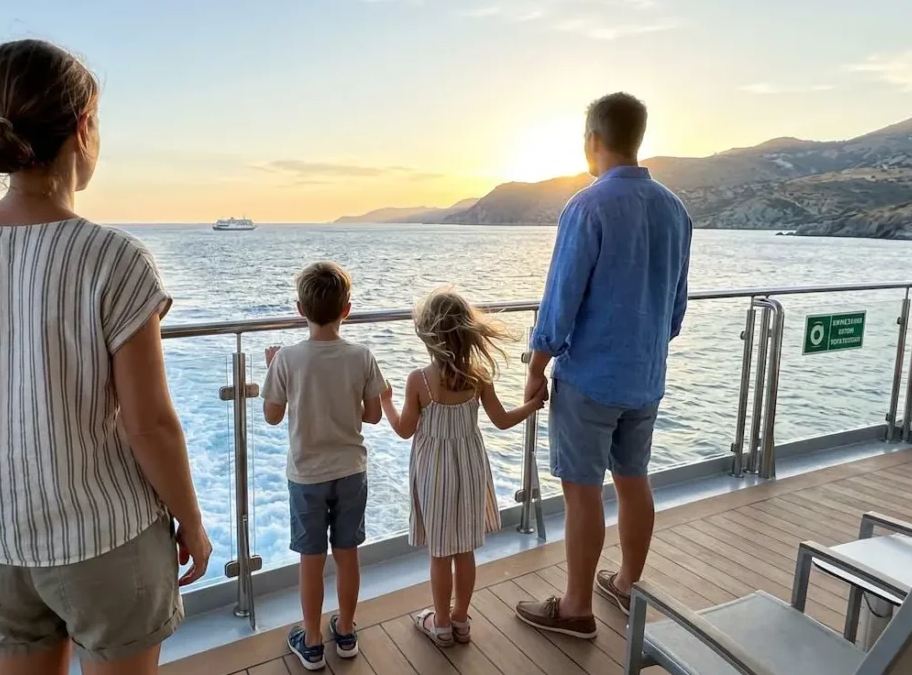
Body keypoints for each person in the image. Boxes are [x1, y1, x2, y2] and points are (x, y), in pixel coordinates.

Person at [0, 39, 211, 675]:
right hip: (107, 544)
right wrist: (191, 522)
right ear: (83, 129)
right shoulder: (113, 258)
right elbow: (148, 423)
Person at [513, 93, 692, 638]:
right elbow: (677, 304)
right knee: (634, 480)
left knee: (582, 489)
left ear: (592, 139)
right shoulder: (674, 209)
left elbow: (560, 299)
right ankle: (625, 584)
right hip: (646, 374)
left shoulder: (587, 206)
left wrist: (536, 365)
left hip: (592, 376)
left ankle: (574, 607)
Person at [380, 289, 543, 647]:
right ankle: (461, 619)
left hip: (435, 472)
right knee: (465, 550)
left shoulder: (419, 381)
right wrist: (531, 405)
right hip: (470, 468)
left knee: (440, 552)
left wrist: (387, 403)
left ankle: (439, 624)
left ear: (429, 337)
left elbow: (405, 430)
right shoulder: (479, 375)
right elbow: (501, 420)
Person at [261, 261, 385, 671]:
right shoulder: (361, 355)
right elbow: (372, 416)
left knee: (311, 559)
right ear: (347, 309)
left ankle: (312, 641)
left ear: (300, 309)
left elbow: (273, 416)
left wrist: (272, 371)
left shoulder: (288, 359)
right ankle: (345, 631)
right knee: (347, 553)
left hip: (307, 475)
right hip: (351, 470)